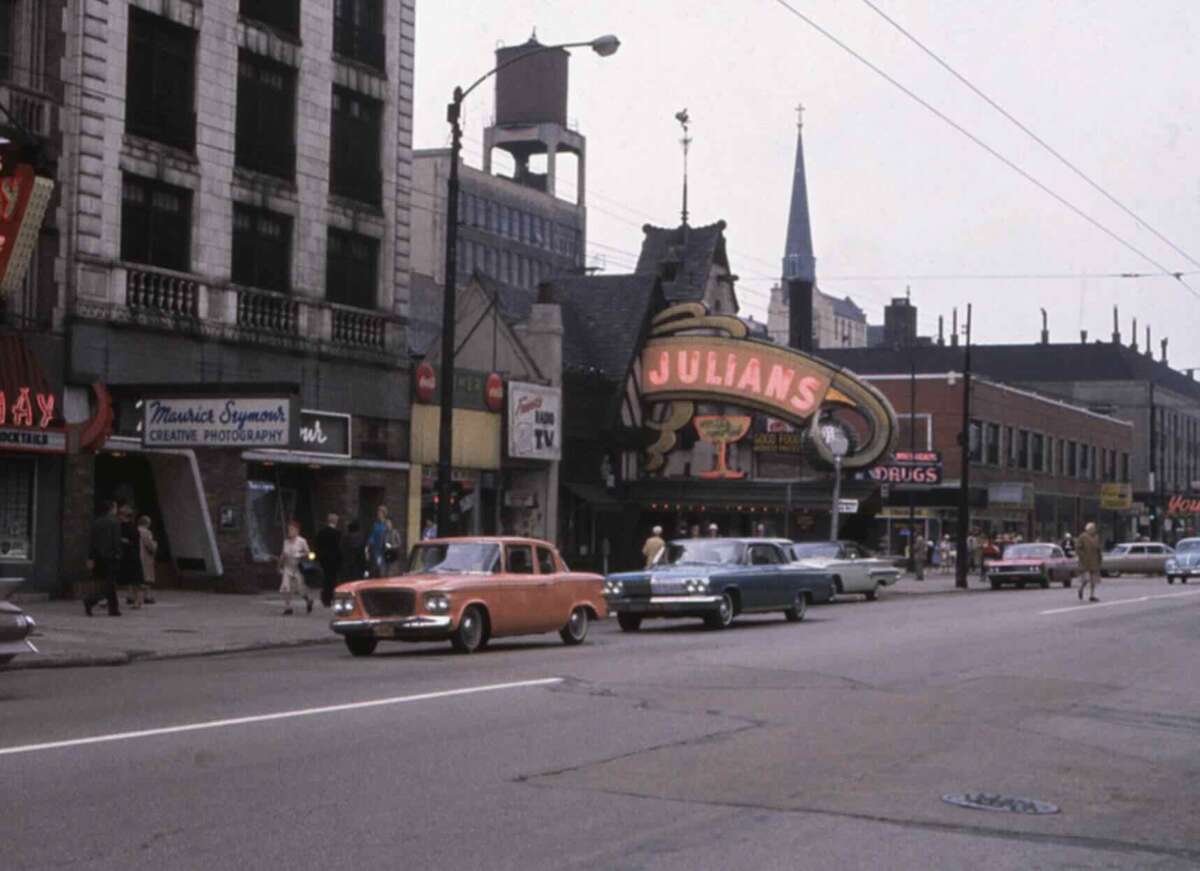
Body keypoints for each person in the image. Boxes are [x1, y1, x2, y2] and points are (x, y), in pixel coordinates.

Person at [84, 500, 122, 616]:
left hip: (98, 557)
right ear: (111, 509)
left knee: (101, 582)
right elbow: (116, 540)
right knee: (110, 583)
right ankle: (98, 603)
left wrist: (91, 557)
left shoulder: (96, 522)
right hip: (110, 557)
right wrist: (118, 553)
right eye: (115, 507)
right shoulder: (114, 523)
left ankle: (94, 602)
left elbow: (92, 541)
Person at [278, 520, 313, 615]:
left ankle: (308, 600)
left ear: (297, 531)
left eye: (292, 530)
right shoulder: (286, 542)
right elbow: (283, 554)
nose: (290, 532)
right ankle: (288, 608)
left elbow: (309, 554)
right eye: (289, 530)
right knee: (286, 587)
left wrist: (301, 554)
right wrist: (279, 565)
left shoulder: (302, 541)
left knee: (300, 589)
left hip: (297, 567)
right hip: (287, 567)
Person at [117, 507, 146, 609]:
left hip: (131, 557)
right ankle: (135, 599)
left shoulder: (131, 527)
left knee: (135, 581)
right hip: (126, 556)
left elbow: (133, 542)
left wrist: (124, 541)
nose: (118, 516)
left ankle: (137, 600)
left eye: (120, 514)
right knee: (132, 580)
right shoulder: (122, 526)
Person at [315, 513, 342, 608]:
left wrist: (318, 558)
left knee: (326, 579)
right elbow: (340, 548)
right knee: (333, 579)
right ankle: (332, 597)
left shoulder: (321, 532)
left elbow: (317, 546)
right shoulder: (338, 533)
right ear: (335, 521)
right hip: (334, 560)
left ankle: (325, 598)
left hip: (324, 560)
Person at [1076, 521, 1103, 602]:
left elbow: (1098, 549)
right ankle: (1081, 589)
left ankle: (1092, 595)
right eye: (1093, 528)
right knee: (1086, 579)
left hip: (1094, 561)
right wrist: (1082, 556)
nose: (1094, 530)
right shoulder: (1082, 536)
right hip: (1085, 562)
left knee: (1093, 580)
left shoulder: (1096, 537)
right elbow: (1078, 548)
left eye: (1094, 528)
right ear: (1088, 529)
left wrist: (1100, 558)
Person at [137, 516, 158, 605]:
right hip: (145, 557)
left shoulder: (135, 530)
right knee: (147, 578)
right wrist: (155, 544)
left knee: (135, 578)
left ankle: (131, 596)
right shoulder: (146, 532)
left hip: (136, 556)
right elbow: (150, 545)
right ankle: (146, 596)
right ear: (147, 523)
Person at [366, 505, 390, 577]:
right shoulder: (375, 524)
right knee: (376, 568)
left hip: (384, 550)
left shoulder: (387, 524)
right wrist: (368, 545)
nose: (378, 514)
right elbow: (372, 536)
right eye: (377, 512)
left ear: (383, 514)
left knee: (382, 568)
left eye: (379, 512)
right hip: (375, 550)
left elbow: (389, 535)